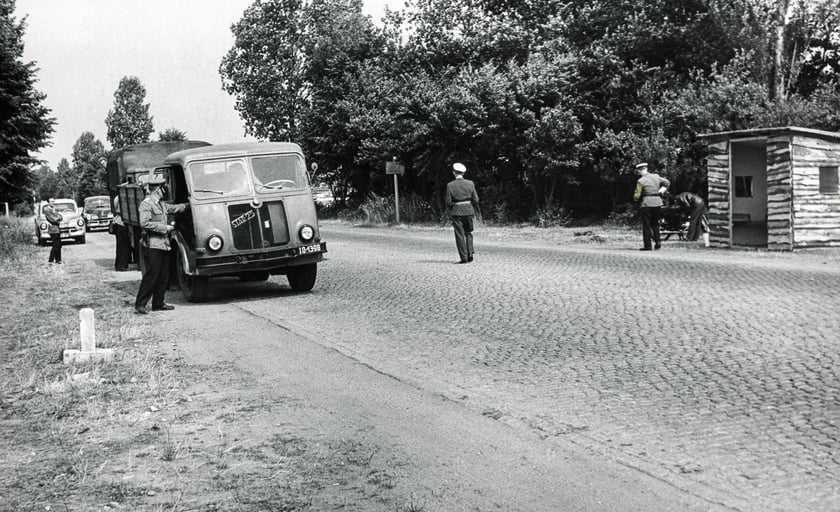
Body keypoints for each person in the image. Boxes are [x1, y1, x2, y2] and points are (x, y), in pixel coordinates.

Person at [134, 175, 190, 314]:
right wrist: (165, 228)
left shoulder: (161, 204)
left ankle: (158, 303)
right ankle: (140, 304)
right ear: (157, 190)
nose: (164, 190)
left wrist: (190, 204)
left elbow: (175, 208)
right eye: (162, 188)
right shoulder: (146, 204)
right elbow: (144, 223)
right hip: (153, 245)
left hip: (164, 244)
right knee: (152, 275)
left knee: (164, 275)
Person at [445, 162, 479, 264]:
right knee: (468, 232)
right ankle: (470, 253)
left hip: (457, 212)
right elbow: (476, 200)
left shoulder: (450, 185)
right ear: (463, 173)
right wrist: (469, 205)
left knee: (460, 235)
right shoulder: (470, 183)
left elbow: (448, 202)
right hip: (469, 211)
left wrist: (453, 206)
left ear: (454, 173)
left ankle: (463, 258)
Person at [633, 162, 670, 251]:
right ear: (646, 169)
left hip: (646, 203)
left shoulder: (640, 181)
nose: (639, 172)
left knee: (646, 225)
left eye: (639, 171)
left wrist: (635, 199)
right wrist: (661, 191)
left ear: (640, 171)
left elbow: (637, 195)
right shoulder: (656, 176)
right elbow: (667, 182)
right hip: (657, 203)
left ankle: (648, 245)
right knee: (655, 223)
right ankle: (658, 242)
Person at [112, 194, 133, 271]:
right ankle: (122, 265)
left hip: (118, 221)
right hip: (122, 222)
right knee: (124, 245)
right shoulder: (123, 198)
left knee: (120, 245)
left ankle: (119, 264)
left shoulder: (116, 198)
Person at [42, 198, 63, 264]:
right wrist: (58, 217)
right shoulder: (47, 210)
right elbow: (54, 219)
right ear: (48, 202)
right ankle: (51, 260)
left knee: (59, 244)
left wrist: (59, 217)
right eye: (51, 201)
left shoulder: (53, 209)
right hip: (52, 229)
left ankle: (58, 260)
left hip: (57, 228)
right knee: (56, 244)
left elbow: (61, 216)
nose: (53, 203)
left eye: (53, 201)